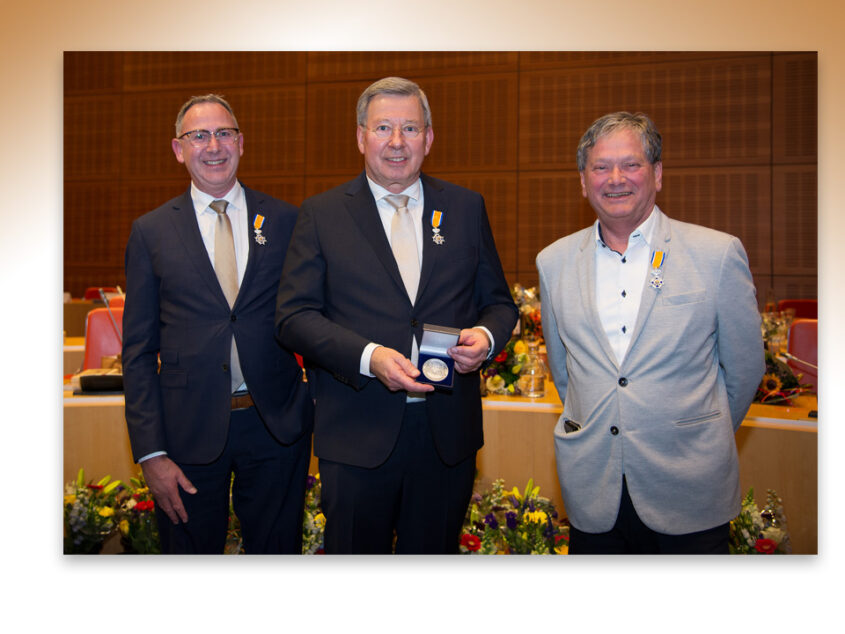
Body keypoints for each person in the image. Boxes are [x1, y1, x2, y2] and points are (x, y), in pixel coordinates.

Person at [275, 77, 517, 554]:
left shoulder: (465, 208)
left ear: (429, 138)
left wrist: (486, 339)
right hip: (357, 432)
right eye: (383, 127)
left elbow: (500, 303)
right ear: (361, 136)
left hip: (446, 436)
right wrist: (369, 357)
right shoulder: (321, 215)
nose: (396, 141)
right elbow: (293, 316)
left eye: (410, 127)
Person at [536, 112, 764, 554]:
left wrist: (693, 430)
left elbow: (744, 370)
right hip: (594, 491)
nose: (615, 178)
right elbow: (567, 376)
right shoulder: (554, 262)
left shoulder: (715, 254)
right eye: (601, 167)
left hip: (689, 488)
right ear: (584, 181)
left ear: (657, 174)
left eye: (631, 164)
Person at [122, 94, 312, 554]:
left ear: (241, 143)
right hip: (186, 431)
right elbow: (139, 352)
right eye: (198, 135)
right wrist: (150, 453)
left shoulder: (286, 220)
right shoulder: (151, 232)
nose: (213, 146)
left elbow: (312, 317)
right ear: (178, 149)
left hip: (275, 427)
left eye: (224, 133)